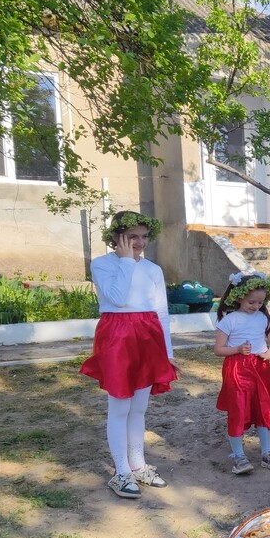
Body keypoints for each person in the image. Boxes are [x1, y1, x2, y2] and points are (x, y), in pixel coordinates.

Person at [80, 210, 177, 499]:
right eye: (132, 236)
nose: (139, 242)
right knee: (120, 407)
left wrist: (167, 352)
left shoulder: (153, 270)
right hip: (118, 337)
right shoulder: (102, 264)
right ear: (116, 237)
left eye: (144, 236)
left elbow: (161, 311)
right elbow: (117, 298)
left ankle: (138, 465)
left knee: (139, 407)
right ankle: (120, 471)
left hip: (148, 336)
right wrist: (125, 260)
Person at [214, 272, 270, 475]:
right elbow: (218, 349)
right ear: (238, 297)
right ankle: (238, 455)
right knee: (238, 408)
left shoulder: (263, 318)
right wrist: (236, 350)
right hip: (238, 369)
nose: (256, 306)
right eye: (251, 302)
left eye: (260, 302)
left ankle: (266, 451)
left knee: (263, 407)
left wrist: (268, 354)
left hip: (260, 368)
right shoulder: (230, 320)